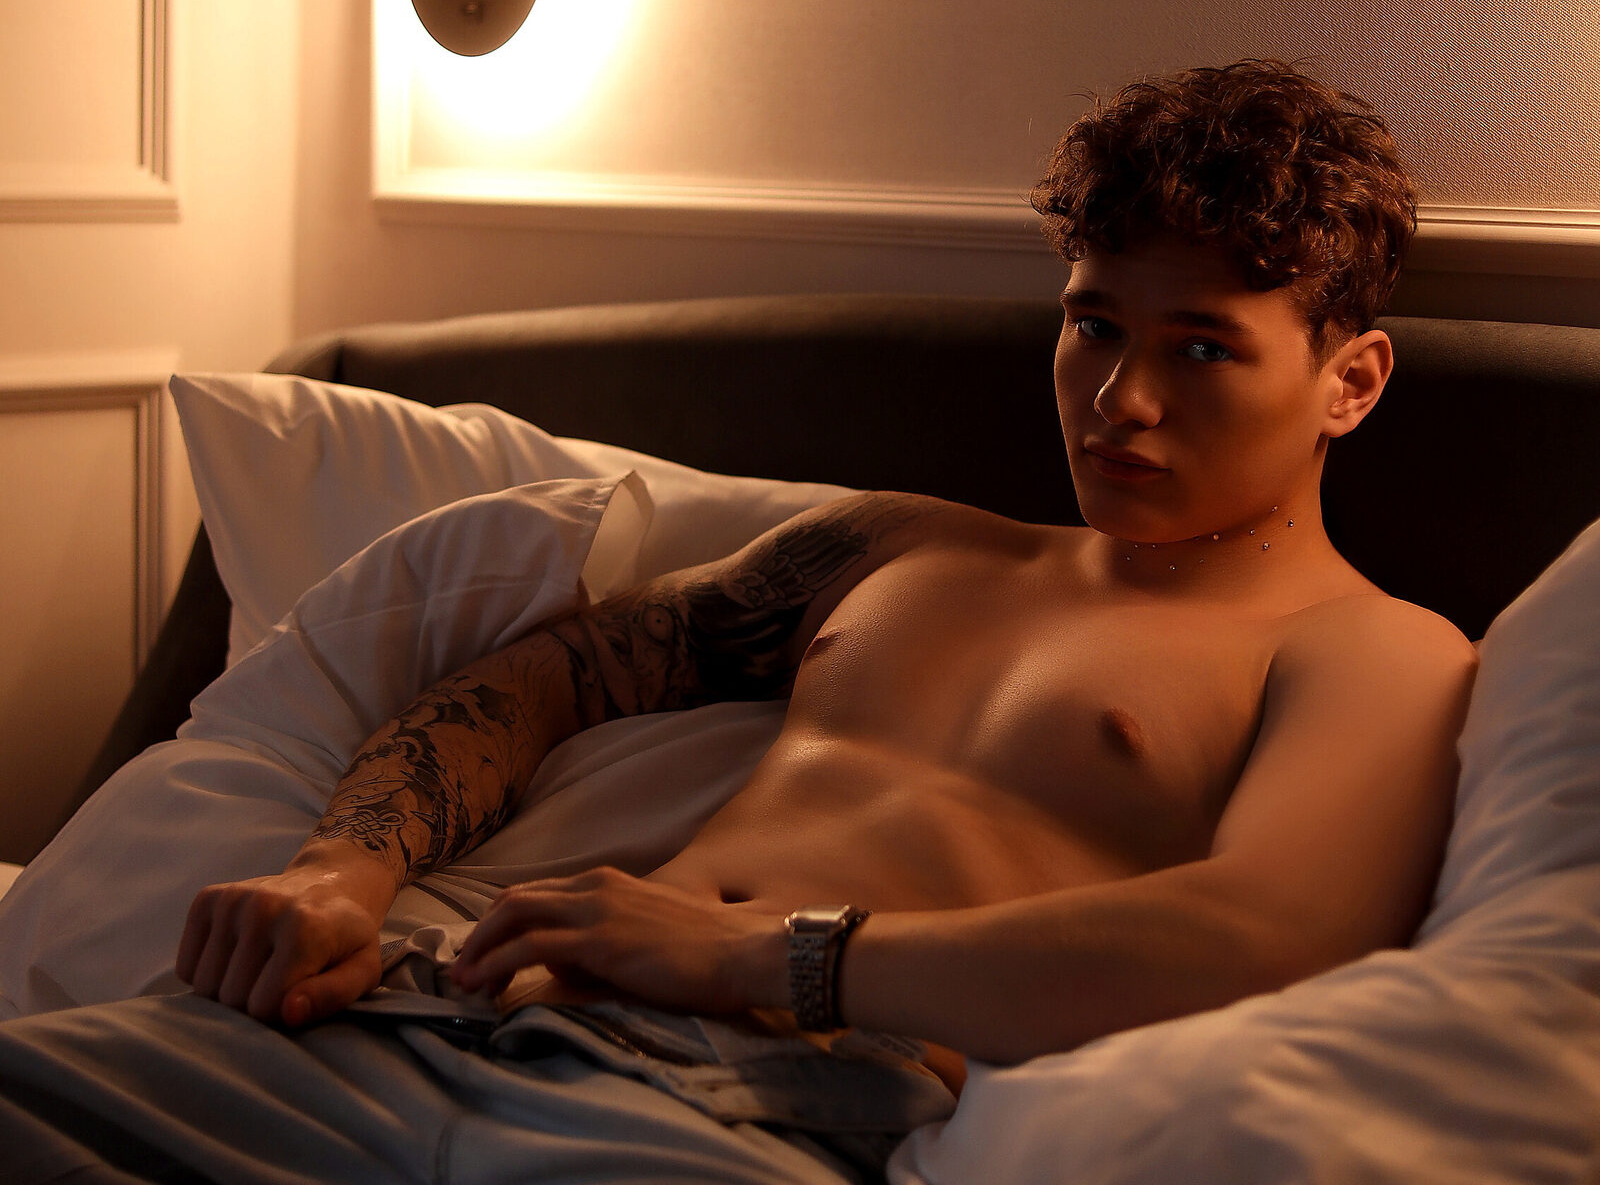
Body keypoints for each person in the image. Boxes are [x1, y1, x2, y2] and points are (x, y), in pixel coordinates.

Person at [1, 59, 1475, 1183]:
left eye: (1203, 350)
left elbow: (1260, 939)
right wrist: (341, 872)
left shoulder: (1375, 651)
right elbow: (557, 675)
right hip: (431, 1004)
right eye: (1093, 325)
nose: (1120, 399)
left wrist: (760, 957)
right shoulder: (905, 548)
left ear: (1349, 382)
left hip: (756, 1106)